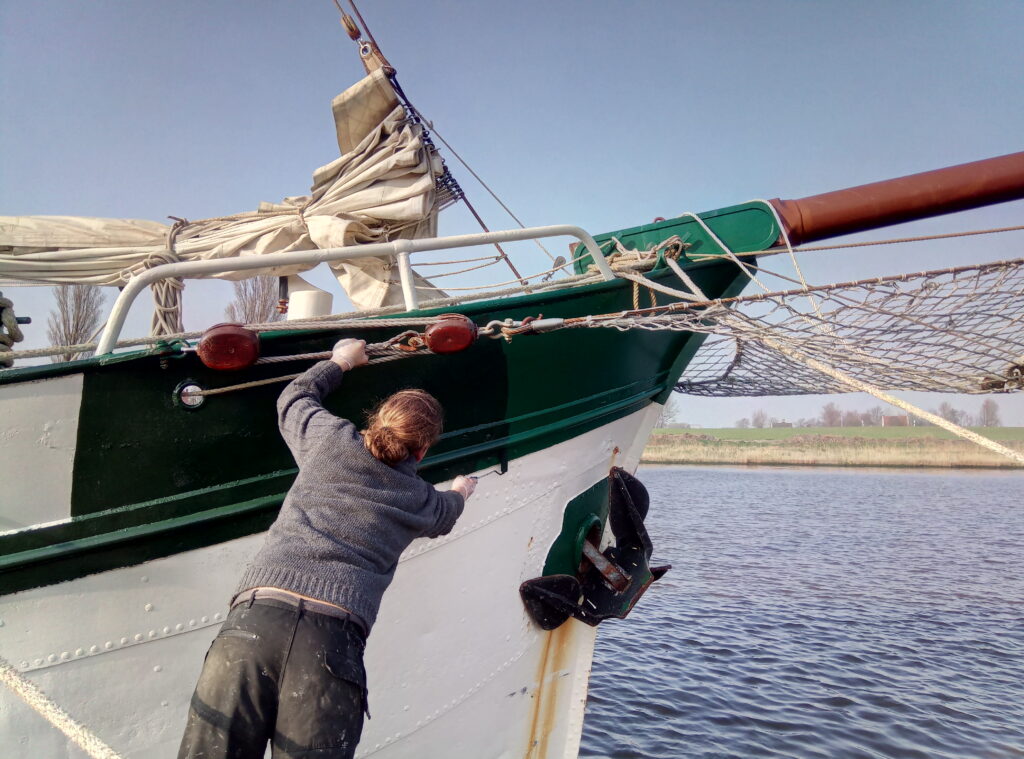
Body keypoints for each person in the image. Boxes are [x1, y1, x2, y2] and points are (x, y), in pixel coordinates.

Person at [178, 338, 476, 759]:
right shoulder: (419, 500)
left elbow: (293, 397)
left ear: (376, 421)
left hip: (252, 625)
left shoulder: (330, 440)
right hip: (330, 644)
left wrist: (340, 362)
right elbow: (447, 513)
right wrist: (463, 489)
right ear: (423, 449)